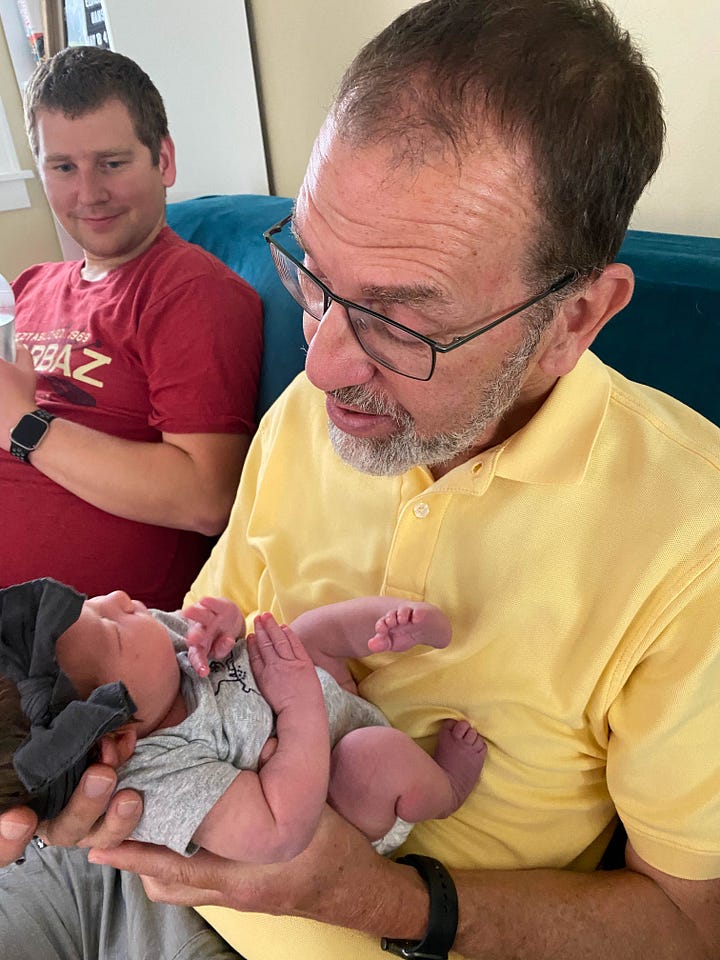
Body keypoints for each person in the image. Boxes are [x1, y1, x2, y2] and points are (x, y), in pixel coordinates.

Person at [1, 1, 719, 959]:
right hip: (128, 857)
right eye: (313, 274)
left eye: (400, 319)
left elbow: (686, 924)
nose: (326, 361)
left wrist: (375, 898)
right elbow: (202, 653)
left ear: (576, 317)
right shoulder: (310, 412)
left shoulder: (692, 540)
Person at [0, 46, 263, 610]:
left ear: (163, 160)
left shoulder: (189, 290)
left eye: (112, 163)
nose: (88, 193)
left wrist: (23, 426)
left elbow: (205, 496)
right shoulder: (28, 287)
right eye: (63, 167)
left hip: (68, 644)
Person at [0, 578, 485, 862]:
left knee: (305, 630)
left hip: (317, 690)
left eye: (92, 602)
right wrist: (297, 709)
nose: (119, 597)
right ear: (119, 739)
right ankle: (447, 787)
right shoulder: (158, 781)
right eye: (112, 628)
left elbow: (223, 638)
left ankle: (409, 626)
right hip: (344, 789)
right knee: (373, 756)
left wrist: (222, 628)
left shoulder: (149, 668)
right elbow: (279, 832)